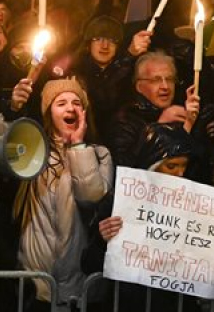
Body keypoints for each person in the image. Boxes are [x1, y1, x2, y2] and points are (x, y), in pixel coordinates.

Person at [7, 78, 114, 311]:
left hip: (81, 287)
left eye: (77, 103)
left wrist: (77, 147)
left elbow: (90, 198)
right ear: (48, 113)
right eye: (61, 103)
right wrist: (11, 110)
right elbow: (0, 151)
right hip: (37, 284)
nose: (70, 108)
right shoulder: (34, 151)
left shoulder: (99, 154)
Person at [82, 123, 201, 311]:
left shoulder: (197, 204)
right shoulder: (119, 200)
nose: (180, 174)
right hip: (131, 303)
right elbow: (89, 263)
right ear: (152, 165)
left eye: (184, 166)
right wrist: (101, 239)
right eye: (172, 166)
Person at [108, 51, 200, 169]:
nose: (165, 86)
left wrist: (189, 125)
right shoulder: (124, 120)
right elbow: (125, 169)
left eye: (170, 79)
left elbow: (195, 169)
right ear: (139, 87)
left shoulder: (183, 113)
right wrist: (159, 128)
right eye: (156, 80)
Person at [69, 15, 151, 138]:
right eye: (98, 39)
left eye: (112, 40)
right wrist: (128, 56)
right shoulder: (76, 73)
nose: (105, 45)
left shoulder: (131, 71)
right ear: (88, 44)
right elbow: (101, 101)